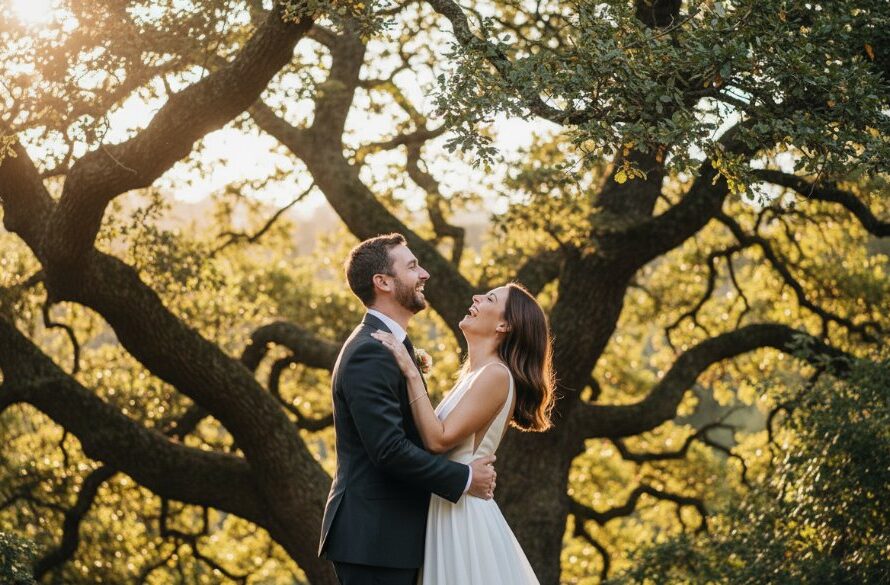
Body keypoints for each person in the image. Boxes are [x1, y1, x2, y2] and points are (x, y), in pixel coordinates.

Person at [318, 233, 498, 585]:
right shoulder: (369, 351)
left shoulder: (391, 345)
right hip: (373, 539)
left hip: (389, 536)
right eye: (413, 266)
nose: (425, 273)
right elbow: (389, 450)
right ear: (383, 282)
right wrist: (464, 479)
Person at [372, 280, 556, 585]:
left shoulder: (496, 375)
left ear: (504, 325)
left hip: (462, 516)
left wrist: (409, 371)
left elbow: (438, 439)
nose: (476, 296)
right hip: (447, 505)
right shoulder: (474, 374)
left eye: (490, 298)